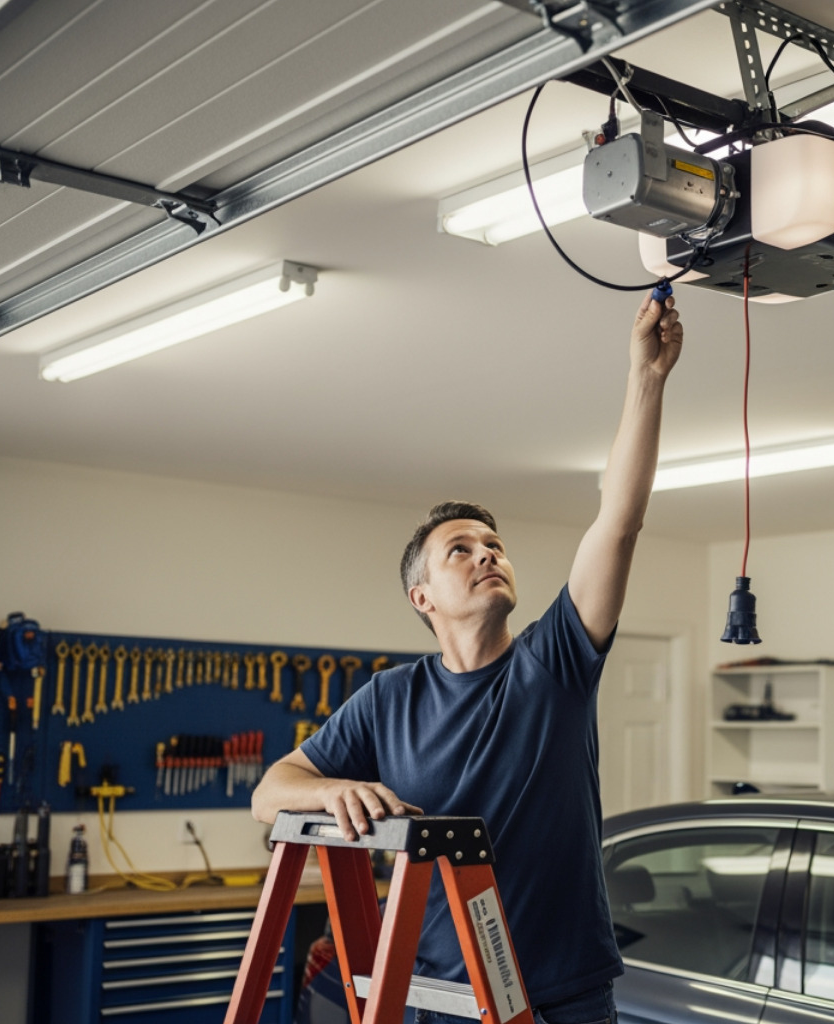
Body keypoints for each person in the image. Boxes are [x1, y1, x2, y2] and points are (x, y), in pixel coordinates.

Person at [252, 292, 685, 1024]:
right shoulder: (389, 699)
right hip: (437, 994)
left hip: (560, 998)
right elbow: (270, 791)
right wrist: (328, 793)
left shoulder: (555, 664)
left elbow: (619, 521)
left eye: (496, 547)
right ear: (423, 598)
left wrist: (647, 378)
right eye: (462, 550)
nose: (488, 555)